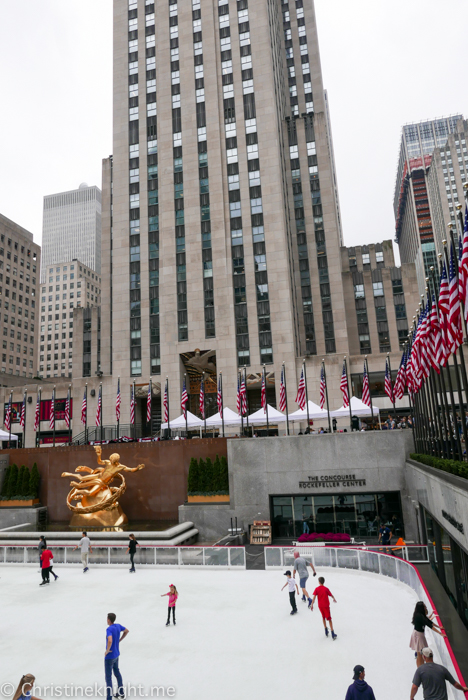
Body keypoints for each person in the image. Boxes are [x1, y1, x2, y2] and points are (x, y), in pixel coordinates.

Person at [410, 602, 446, 667]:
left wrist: (439, 627)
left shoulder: (421, 615)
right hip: (418, 635)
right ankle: (420, 668)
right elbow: (429, 624)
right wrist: (440, 633)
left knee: (420, 653)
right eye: (424, 606)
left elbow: (429, 621)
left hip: (419, 634)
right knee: (420, 654)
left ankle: (421, 667)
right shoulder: (419, 616)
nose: (425, 607)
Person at [105, 613, 129, 700]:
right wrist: (120, 640)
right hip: (116, 655)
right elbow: (126, 631)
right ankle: (121, 692)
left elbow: (110, 640)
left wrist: (107, 650)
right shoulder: (118, 626)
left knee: (108, 678)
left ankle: (109, 698)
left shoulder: (109, 629)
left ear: (109, 620)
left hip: (109, 657)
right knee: (117, 673)